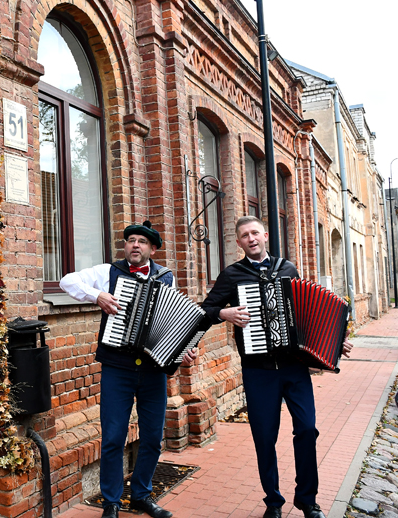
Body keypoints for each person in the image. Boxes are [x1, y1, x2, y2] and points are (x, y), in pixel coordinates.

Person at [200, 216, 353, 518]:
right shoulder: (232, 275)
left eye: (255, 233)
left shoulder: (288, 268)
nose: (251, 239)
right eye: (244, 236)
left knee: (307, 429)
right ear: (239, 242)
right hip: (258, 371)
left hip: (294, 368)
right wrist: (224, 312)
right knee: (264, 437)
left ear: (265, 235)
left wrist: (336, 343)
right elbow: (204, 311)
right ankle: (273, 501)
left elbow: (308, 316)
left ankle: (307, 500)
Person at [60, 221, 196, 518]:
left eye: (142, 242)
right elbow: (67, 281)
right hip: (117, 368)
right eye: (131, 240)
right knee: (112, 436)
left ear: (152, 249)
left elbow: (171, 322)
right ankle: (111, 501)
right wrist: (97, 296)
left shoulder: (166, 277)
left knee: (151, 437)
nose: (135, 245)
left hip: (152, 371)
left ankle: (141, 496)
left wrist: (183, 349)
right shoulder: (108, 273)